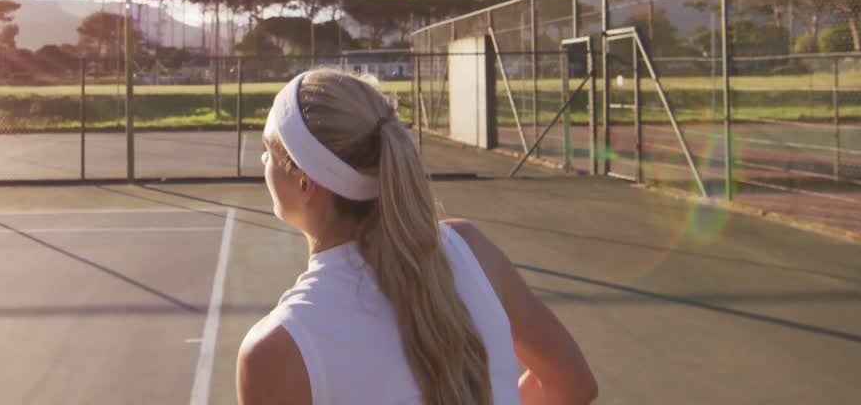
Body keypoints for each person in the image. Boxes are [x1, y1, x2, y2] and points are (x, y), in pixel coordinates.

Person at [238, 69, 597, 405]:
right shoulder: (471, 249)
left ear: (306, 183)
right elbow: (570, 384)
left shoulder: (277, 348)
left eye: (269, 153)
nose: (263, 162)